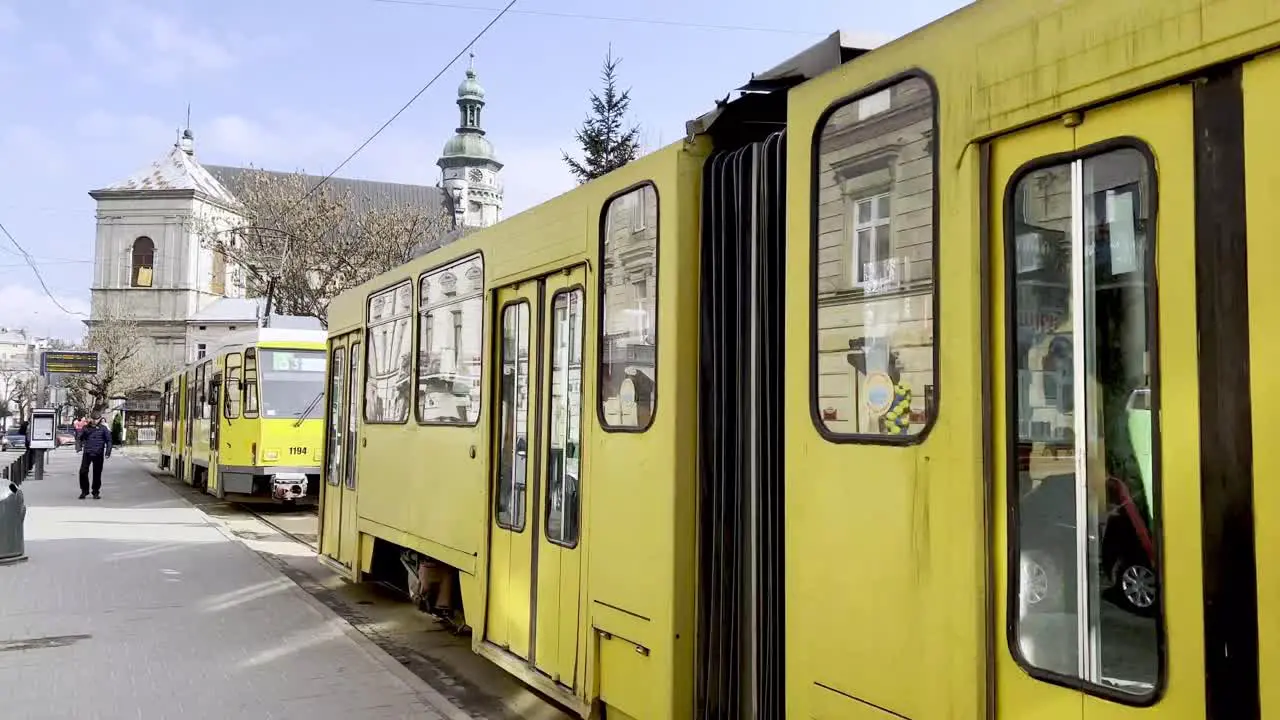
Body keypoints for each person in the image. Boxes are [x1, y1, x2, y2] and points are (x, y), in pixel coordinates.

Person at [77, 415, 112, 500]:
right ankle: (84, 491)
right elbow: (79, 438)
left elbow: (109, 441)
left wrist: (107, 452)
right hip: (87, 453)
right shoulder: (86, 428)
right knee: (83, 472)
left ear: (99, 419)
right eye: (93, 418)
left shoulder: (103, 428)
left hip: (98, 453)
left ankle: (95, 491)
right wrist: (79, 446)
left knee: (97, 473)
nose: (95, 420)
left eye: (97, 419)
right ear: (90, 419)